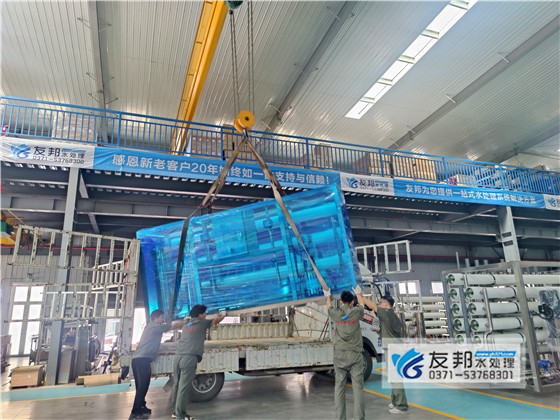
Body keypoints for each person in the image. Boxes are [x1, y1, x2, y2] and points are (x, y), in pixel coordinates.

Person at [357, 291, 409, 415]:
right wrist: (379, 331)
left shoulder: (386, 313)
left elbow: (372, 307)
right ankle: (395, 401)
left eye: (381, 302)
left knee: (395, 377)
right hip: (395, 348)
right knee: (393, 376)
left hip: (392, 349)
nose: (379, 304)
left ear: (386, 304)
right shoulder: (393, 316)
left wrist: (361, 296)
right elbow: (393, 331)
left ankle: (401, 406)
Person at [172, 305, 226, 420]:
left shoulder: (187, 322)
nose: (206, 315)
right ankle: (180, 416)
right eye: (205, 313)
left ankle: (175, 412)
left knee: (176, 385)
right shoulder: (202, 322)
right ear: (200, 314)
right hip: (189, 358)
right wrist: (223, 315)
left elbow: (176, 325)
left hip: (178, 357)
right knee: (184, 388)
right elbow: (216, 321)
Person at [130, 309, 184, 419]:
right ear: (156, 318)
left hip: (138, 360)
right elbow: (170, 326)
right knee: (142, 386)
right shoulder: (155, 327)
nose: (163, 319)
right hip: (142, 360)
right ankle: (135, 411)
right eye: (161, 317)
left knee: (142, 386)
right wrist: (184, 321)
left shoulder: (150, 326)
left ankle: (142, 406)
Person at [325, 287, 365, 420]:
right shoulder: (356, 312)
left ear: (341, 302)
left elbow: (329, 307)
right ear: (352, 302)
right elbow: (362, 305)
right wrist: (358, 293)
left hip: (340, 355)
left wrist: (328, 296)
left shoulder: (336, 314)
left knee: (339, 387)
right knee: (358, 388)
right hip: (355, 354)